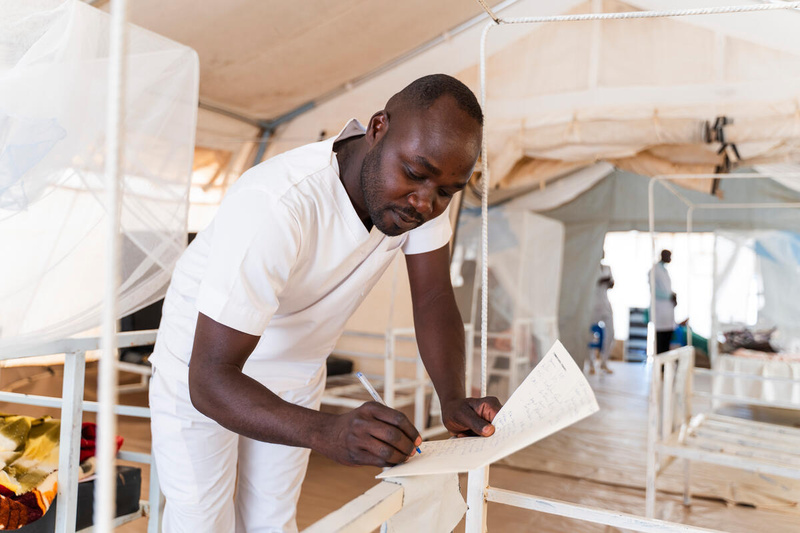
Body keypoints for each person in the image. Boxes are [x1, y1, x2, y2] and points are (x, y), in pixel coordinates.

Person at [148, 74, 502, 533]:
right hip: (204, 363)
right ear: (378, 128)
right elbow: (210, 379)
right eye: (415, 175)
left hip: (294, 365)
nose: (424, 203)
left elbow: (434, 295)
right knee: (201, 521)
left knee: (271, 522)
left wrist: (451, 397)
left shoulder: (423, 190)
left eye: (446, 192)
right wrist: (326, 431)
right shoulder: (279, 204)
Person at [649, 249, 677, 354]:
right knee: (660, 343)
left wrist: (673, 296)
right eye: (669, 256)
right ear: (663, 256)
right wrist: (669, 296)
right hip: (660, 311)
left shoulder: (664, 270)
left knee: (666, 342)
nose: (670, 259)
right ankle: (659, 368)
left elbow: (666, 289)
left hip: (667, 312)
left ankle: (664, 368)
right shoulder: (655, 270)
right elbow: (654, 291)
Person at [590, 260, 615, 374]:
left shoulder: (607, 268)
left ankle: (604, 362)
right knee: (589, 335)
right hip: (593, 304)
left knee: (610, 333)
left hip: (605, 303)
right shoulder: (590, 268)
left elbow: (611, 284)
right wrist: (601, 280)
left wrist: (609, 281)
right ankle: (591, 363)